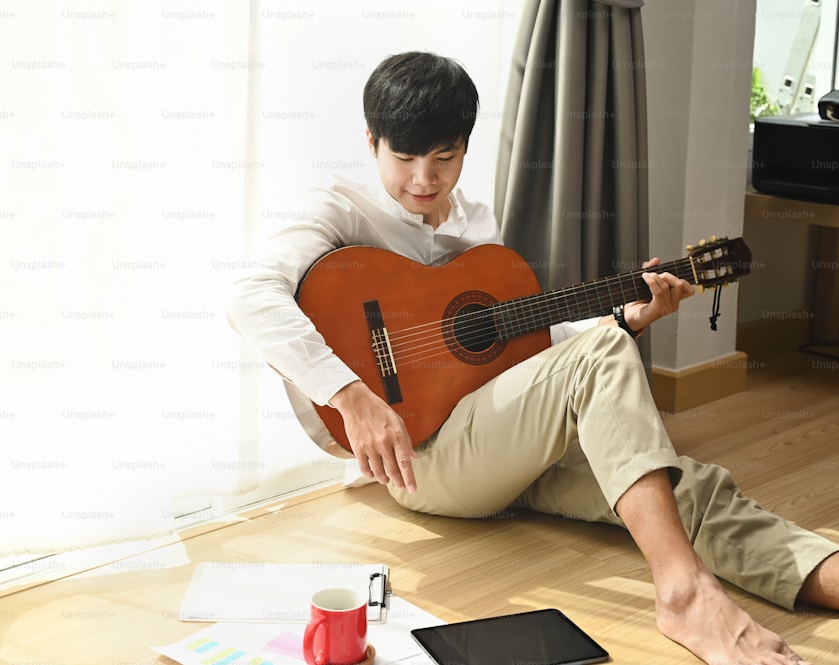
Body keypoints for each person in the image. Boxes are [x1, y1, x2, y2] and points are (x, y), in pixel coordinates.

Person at [226, 51, 839, 665]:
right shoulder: (337, 210)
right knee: (608, 374)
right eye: (404, 158)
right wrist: (349, 394)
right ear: (371, 142)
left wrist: (626, 319)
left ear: (465, 146)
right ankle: (684, 594)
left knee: (677, 486)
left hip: (497, 439)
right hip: (424, 458)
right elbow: (248, 295)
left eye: (444, 158)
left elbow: (523, 352)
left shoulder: (476, 222)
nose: (423, 179)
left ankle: (823, 571)